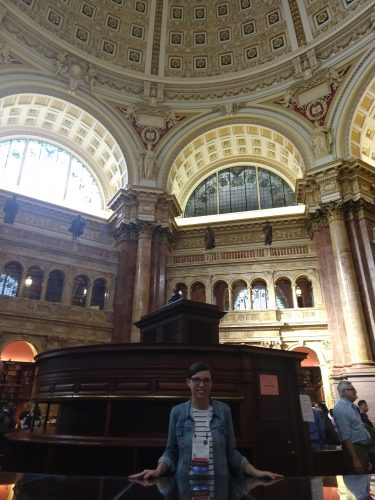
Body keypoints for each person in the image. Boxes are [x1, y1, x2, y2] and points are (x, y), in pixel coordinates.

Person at [128, 362, 282, 480]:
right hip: (185, 483)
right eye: (196, 380)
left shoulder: (224, 410)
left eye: (206, 380)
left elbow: (231, 452)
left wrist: (256, 472)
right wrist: (157, 471)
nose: (202, 385)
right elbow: (171, 450)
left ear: (212, 383)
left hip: (219, 483)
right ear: (188, 382)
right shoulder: (177, 412)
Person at [333, 381, 372, 474]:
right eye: (352, 389)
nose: (355, 391)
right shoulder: (341, 408)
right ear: (343, 392)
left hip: (362, 449)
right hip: (355, 449)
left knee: (365, 482)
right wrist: (355, 459)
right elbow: (345, 435)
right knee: (359, 481)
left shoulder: (351, 407)